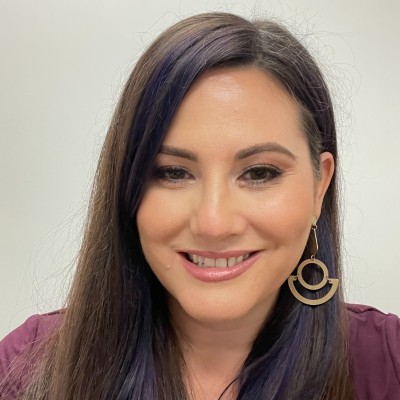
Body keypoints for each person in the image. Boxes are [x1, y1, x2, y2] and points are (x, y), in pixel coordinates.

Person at [0, 12, 399, 400]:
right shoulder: (25, 367)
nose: (213, 223)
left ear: (319, 187)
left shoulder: (389, 362)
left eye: (259, 173)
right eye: (173, 173)